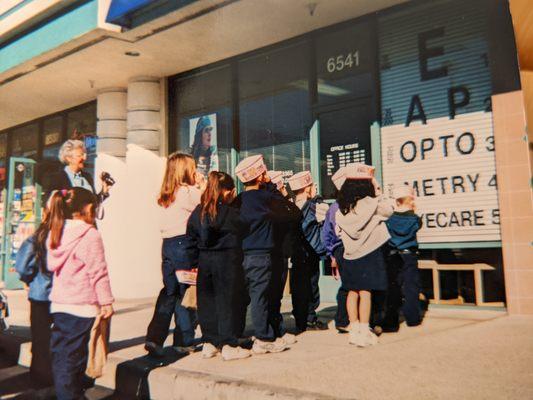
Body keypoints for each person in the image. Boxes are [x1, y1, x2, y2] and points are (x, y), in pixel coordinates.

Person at [46, 188, 114, 400]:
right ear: (88, 208)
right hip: (82, 307)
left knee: (62, 356)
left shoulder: (56, 231)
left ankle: (68, 394)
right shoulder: (89, 234)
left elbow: (50, 265)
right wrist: (106, 302)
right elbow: (98, 272)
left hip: (59, 305)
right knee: (74, 360)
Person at [233, 155, 298, 354]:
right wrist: (272, 188)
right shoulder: (266, 198)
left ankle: (237, 333)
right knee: (261, 296)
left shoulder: (238, 200)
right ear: (261, 176)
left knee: (243, 297)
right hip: (261, 254)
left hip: (241, 254)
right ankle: (263, 337)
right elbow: (294, 213)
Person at [187, 171, 250, 361]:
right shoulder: (231, 213)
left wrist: (193, 263)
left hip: (204, 262)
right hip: (227, 261)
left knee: (207, 302)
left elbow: (189, 239)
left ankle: (210, 342)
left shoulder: (198, 212)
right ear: (225, 191)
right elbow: (245, 229)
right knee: (227, 302)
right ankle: (229, 344)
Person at [145, 153, 203, 357]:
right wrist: (201, 186)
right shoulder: (189, 192)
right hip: (185, 245)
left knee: (169, 292)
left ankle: (155, 337)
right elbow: (205, 205)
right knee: (187, 292)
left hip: (167, 245)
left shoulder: (167, 194)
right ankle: (184, 339)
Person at [334, 164, 393, 347]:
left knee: (352, 291)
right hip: (369, 253)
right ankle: (365, 328)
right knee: (366, 292)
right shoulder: (372, 204)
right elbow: (389, 209)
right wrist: (376, 187)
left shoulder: (340, 211)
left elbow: (338, 233)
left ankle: (354, 329)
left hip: (350, 255)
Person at [15, 203, 54, 385]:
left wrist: (29, 279)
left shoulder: (38, 237)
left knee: (40, 340)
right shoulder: (66, 236)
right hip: (64, 296)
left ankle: (41, 382)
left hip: (40, 294)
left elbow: (23, 266)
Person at [287, 171, 329, 332]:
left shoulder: (290, 205)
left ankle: (300, 318)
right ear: (306, 188)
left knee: (298, 287)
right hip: (311, 252)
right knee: (311, 286)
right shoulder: (315, 206)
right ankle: (310, 318)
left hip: (297, 254)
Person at [267, 171, 301, 343]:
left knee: (273, 295)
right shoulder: (275, 204)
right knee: (274, 294)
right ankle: (274, 328)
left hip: (276, 252)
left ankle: (273, 327)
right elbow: (296, 214)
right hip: (276, 253)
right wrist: (284, 196)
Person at [384, 184, 423, 330]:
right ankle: (413, 318)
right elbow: (418, 226)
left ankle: (391, 321)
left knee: (394, 287)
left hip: (393, 255)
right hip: (410, 254)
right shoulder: (415, 219)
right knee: (411, 287)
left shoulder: (390, 219)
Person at [323, 167, 350, 333]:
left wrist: (331, 253)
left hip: (339, 249)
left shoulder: (333, 207)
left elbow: (327, 233)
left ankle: (342, 319)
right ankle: (345, 318)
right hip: (348, 247)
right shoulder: (349, 206)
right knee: (352, 286)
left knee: (346, 285)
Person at [47, 139, 111, 205]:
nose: (84, 158)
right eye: (80, 155)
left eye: (84, 155)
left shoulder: (87, 177)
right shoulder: (57, 178)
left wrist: (104, 191)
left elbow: (93, 204)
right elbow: (53, 205)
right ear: (69, 158)